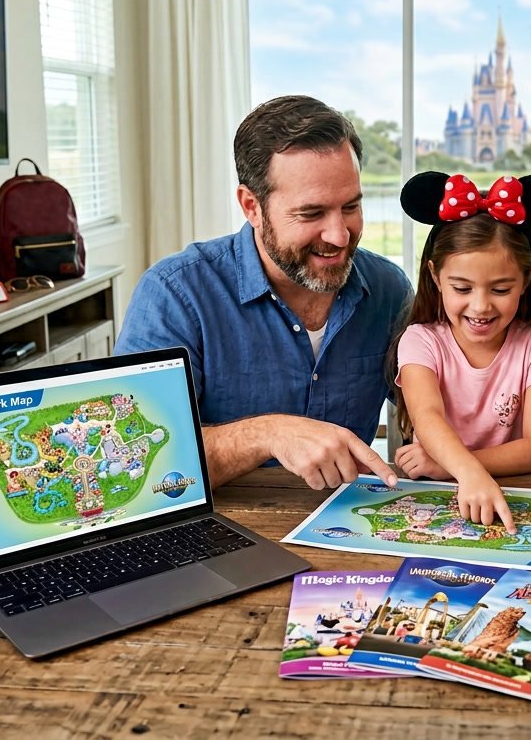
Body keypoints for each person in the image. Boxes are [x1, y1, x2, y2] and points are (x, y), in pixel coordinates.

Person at [115, 95, 410, 490]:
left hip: (345, 529)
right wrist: (269, 434)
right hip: (222, 536)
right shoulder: (174, 294)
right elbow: (131, 458)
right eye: (311, 213)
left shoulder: (389, 289)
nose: (339, 236)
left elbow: (438, 409)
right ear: (251, 206)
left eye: (351, 207)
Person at [390, 171, 531, 531]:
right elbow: (427, 417)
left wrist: (450, 466)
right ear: (435, 277)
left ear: (527, 279)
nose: (481, 306)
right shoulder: (420, 340)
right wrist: (467, 473)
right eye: (462, 288)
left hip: (519, 497)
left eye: (500, 290)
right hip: (434, 500)